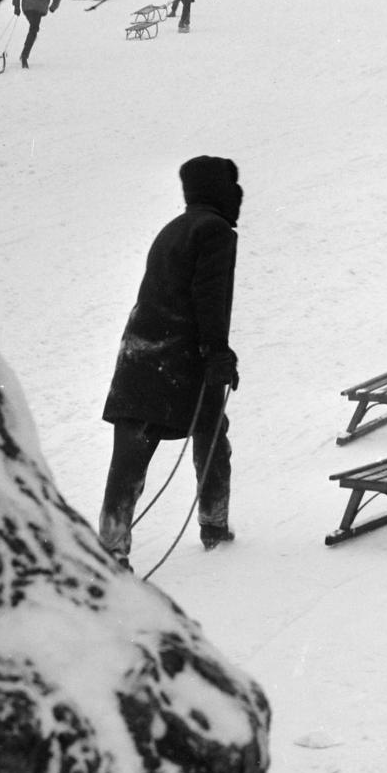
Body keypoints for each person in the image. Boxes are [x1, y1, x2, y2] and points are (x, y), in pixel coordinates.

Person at [98, 156, 242, 566]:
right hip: (182, 361)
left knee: (128, 461)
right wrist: (217, 353)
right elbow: (209, 300)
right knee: (211, 440)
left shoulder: (173, 230)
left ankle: (110, 551)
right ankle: (214, 526)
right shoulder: (215, 232)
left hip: (139, 357)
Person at [11, 0, 60, 68]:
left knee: (33, 28)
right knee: (34, 29)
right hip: (37, 11)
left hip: (27, 9)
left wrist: (17, 6)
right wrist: (52, 8)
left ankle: (24, 55)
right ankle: (24, 56)